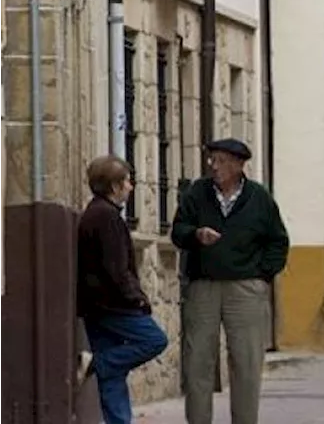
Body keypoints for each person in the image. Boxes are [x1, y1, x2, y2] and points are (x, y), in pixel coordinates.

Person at [171, 138, 290, 424]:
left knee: (246, 363)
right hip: (203, 286)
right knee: (198, 361)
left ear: (239, 165)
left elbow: (278, 241)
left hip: (246, 288)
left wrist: (262, 276)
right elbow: (178, 230)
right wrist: (195, 235)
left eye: (221, 161)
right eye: (212, 160)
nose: (214, 166)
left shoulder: (259, 198)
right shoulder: (197, 193)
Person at [77, 154, 169, 424]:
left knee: (113, 377)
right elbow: (116, 269)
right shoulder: (106, 217)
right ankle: (93, 364)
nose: (131, 187)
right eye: (127, 181)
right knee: (154, 340)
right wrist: (138, 300)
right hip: (111, 305)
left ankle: (118, 419)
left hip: (97, 304)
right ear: (115, 186)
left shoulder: (97, 212)